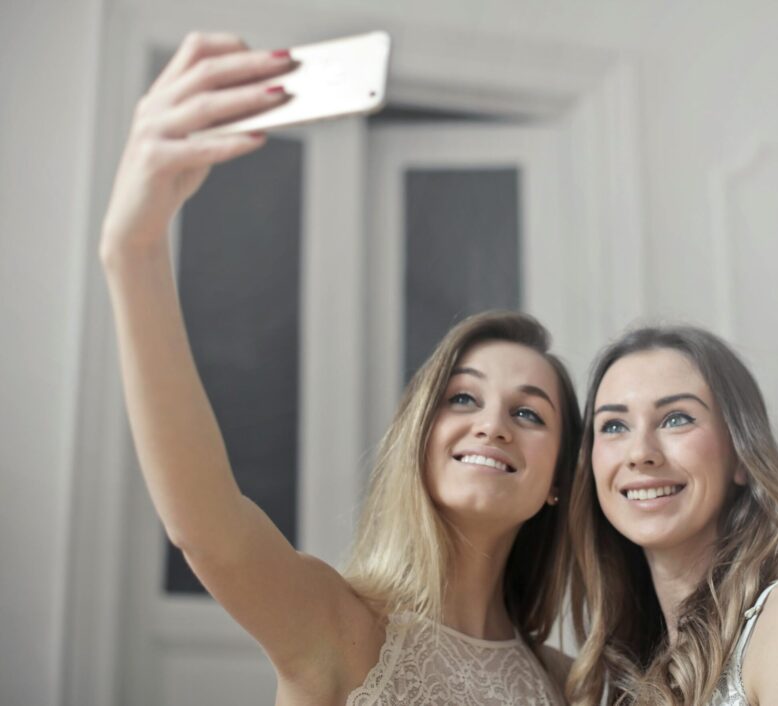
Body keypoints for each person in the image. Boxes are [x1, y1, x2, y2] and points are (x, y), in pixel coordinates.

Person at [100, 31, 581, 705]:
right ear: (418, 434)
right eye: (463, 400)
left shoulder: (568, 685)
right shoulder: (333, 625)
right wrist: (134, 249)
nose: (492, 425)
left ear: (559, 478)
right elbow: (205, 529)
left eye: (529, 413)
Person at [566, 326, 778, 705]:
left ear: (740, 454)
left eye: (676, 419)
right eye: (614, 426)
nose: (640, 453)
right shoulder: (613, 685)